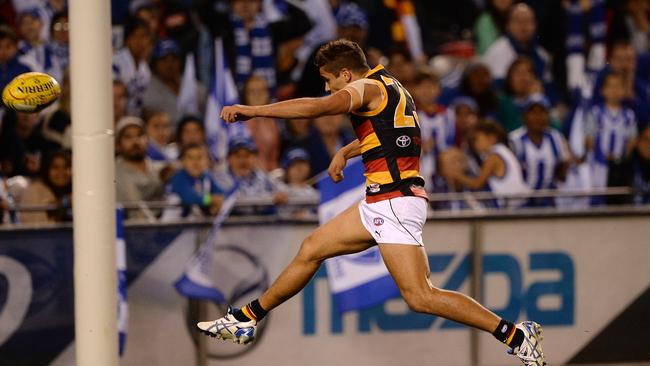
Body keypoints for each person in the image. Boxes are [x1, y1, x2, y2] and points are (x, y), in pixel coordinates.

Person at [197, 39, 545, 365]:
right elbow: (397, 135)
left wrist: (253, 110)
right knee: (312, 248)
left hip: (394, 202)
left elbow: (319, 108)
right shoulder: (391, 85)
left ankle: (515, 335)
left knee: (421, 296)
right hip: (384, 200)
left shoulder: (364, 88)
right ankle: (246, 318)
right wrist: (347, 152)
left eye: (328, 79)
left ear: (346, 74)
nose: (327, 87)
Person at [447, 120, 530, 208]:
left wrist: (456, 175)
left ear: (491, 138)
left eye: (476, 139)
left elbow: (477, 184)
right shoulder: (502, 150)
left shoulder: (493, 157)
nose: (474, 144)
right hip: (518, 204)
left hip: (516, 209)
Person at [509, 95, 571, 207]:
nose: (538, 117)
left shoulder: (556, 138)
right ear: (524, 116)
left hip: (549, 200)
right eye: (533, 113)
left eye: (542, 112)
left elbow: (562, 172)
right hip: (522, 202)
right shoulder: (514, 140)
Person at [586, 72, 638, 195]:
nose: (615, 90)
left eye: (618, 87)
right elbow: (589, 138)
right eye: (611, 87)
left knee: (619, 195)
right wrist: (600, 155)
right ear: (603, 90)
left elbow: (633, 139)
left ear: (623, 90)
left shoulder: (629, 115)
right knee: (599, 195)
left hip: (620, 165)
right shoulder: (595, 113)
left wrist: (622, 157)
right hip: (599, 165)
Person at [114, 116, 166, 217]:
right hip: (131, 230)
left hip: (164, 228)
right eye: (128, 137)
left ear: (147, 140)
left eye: (139, 135)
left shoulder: (159, 168)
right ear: (118, 144)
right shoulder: (113, 172)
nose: (135, 141)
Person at [167, 143, 223, 217]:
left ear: (207, 161)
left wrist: (217, 204)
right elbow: (190, 198)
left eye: (199, 157)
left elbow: (221, 194)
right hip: (172, 226)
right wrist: (210, 199)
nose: (195, 162)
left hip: (196, 225)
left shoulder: (207, 177)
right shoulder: (178, 177)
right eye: (190, 158)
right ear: (183, 161)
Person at [19, 150, 72, 223]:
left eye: (66, 167)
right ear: (46, 169)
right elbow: (37, 225)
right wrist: (65, 202)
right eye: (55, 167)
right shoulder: (35, 191)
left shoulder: (74, 191)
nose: (61, 172)